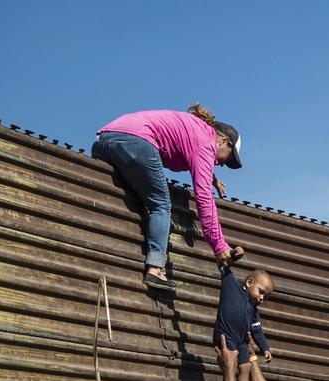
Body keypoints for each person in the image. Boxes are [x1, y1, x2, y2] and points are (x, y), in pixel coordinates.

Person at [91, 104, 242, 293]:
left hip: (105, 139)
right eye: (227, 159)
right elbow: (204, 200)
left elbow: (183, 147)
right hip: (137, 141)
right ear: (223, 141)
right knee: (161, 205)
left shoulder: (196, 130)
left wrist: (211, 177)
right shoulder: (206, 143)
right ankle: (155, 268)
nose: (221, 164)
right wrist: (219, 245)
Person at [214, 254, 274, 381]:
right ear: (249, 283)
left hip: (241, 340)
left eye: (266, 297)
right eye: (261, 292)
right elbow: (223, 266)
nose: (262, 298)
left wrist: (265, 347)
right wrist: (233, 255)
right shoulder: (232, 286)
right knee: (231, 363)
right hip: (226, 336)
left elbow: (257, 331)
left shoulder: (254, 311)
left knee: (246, 366)